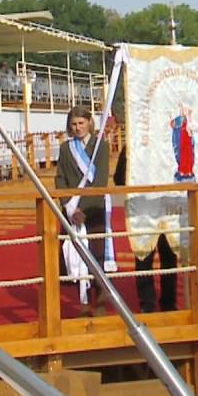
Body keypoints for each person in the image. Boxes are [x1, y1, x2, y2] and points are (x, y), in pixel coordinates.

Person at [55, 105, 112, 314]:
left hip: (93, 208)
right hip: (72, 211)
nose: (78, 128)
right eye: (74, 124)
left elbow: (100, 180)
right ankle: (84, 301)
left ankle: (100, 300)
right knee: (75, 256)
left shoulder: (100, 147)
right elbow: (60, 178)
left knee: (95, 255)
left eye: (81, 123)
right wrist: (69, 206)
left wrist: (83, 209)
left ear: (89, 123)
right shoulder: (65, 148)